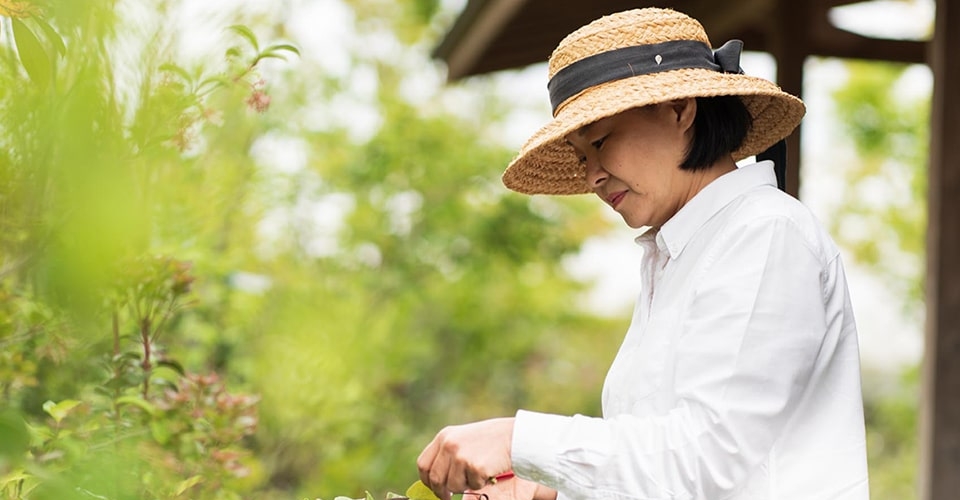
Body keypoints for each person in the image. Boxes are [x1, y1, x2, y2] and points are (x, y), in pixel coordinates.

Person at [417, 7, 869, 500]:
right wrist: (546, 490)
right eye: (582, 157)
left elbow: (703, 457)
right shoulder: (677, 257)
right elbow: (664, 464)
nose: (591, 176)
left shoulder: (763, 233)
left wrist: (515, 439)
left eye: (601, 142)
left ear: (678, 109)